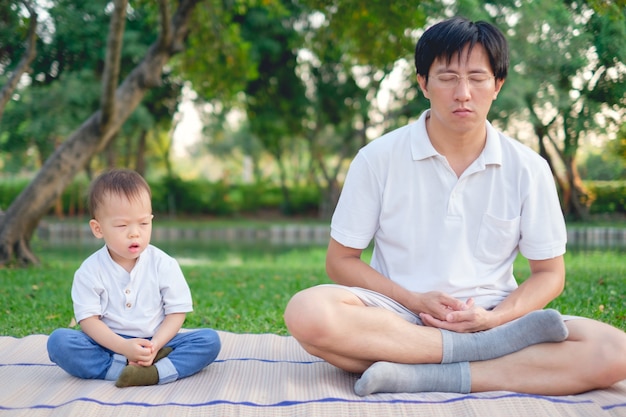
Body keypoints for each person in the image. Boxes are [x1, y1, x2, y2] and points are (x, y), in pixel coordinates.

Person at [284, 16, 626, 396]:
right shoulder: (377, 158)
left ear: (497, 85)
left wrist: (494, 319)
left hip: (497, 322)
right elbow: (340, 260)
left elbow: (549, 274)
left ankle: (424, 374)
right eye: (447, 77)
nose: (463, 93)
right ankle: (477, 358)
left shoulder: (528, 167)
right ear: (423, 83)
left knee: (616, 352)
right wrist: (415, 301)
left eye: (477, 78)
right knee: (308, 312)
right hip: (394, 316)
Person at [47, 169, 221, 388]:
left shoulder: (163, 263)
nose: (134, 233)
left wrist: (155, 345)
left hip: (158, 340)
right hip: (108, 343)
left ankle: (153, 371)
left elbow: (177, 311)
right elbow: (89, 320)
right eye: (122, 225)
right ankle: (121, 368)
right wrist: (124, 347)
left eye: (143, 223)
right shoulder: (90, 270)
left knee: (209, 341)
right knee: (60, 342)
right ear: (98, 229)